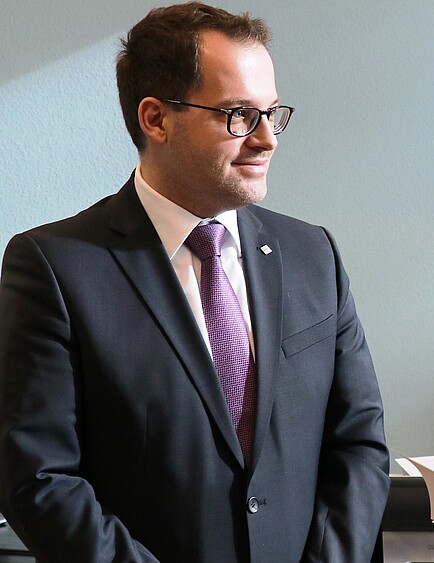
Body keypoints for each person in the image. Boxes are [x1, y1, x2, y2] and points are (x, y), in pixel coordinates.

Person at [0, 3, 390, 562]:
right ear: (156, 119)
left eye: (271, 113)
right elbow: (38, 479)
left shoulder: (313, 256)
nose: (266, 139)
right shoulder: (55, 266)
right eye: (237, 115)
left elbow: (358, 443)